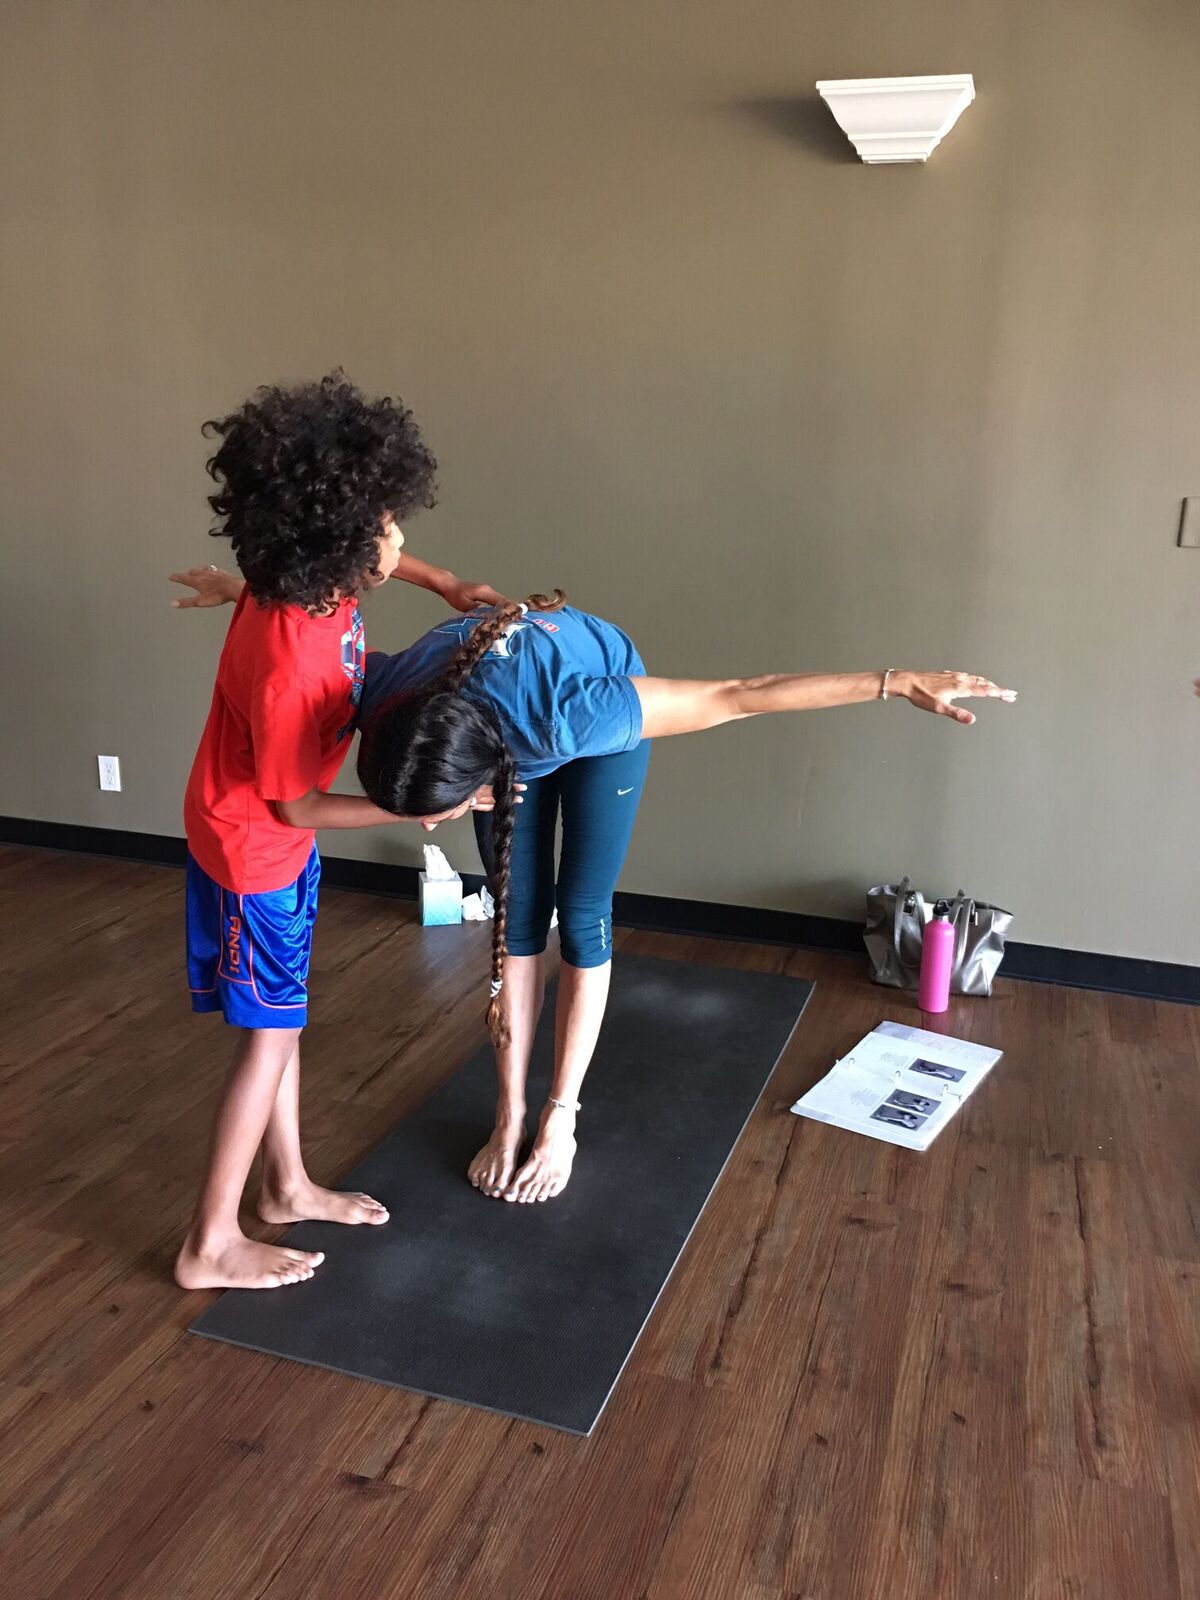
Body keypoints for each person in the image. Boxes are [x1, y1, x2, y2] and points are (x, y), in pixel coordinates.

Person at [356, 595, 1017, 1204]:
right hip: (495, 715)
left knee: (582, 915)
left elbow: (740, 695)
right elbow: (279, 595)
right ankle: (511, 1114)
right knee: (517, 917)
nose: (428, 828)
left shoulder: (574, 716)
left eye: (444, 811)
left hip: (589, 685)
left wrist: (896, 681)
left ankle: (560, 1116)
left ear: (489, 775)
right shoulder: (390, 692)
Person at [173, 372, 508, 1293]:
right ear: (335, 547)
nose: (397, 543)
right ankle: (209, 1243)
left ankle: (282, 1188)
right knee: (270, 1033)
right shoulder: (291, 658)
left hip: (262, 841)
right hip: (255, 848)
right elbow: (297, 807)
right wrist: (420, 810)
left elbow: (384, 557)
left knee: (279, 1022)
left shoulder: (303, 583)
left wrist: (444, 583)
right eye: (385, 531)